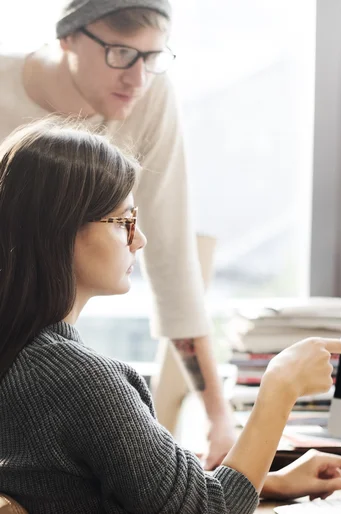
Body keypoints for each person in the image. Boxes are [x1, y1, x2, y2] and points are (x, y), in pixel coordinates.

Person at [0, 118, 341, 513]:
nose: (140, 240)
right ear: (61, 231)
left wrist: (266, 482)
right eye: (124, 222)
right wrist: (280, 388)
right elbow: (208, 510)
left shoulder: (22, 358)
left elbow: (99, 489)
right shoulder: (79, 381)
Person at [0, 0, 237, 468]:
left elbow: (170, 258)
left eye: (153, 58)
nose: (138, 78)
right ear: (67, 37)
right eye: (121, 53)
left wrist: (218, 417)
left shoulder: (150, 94)